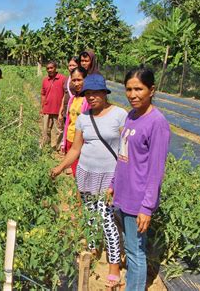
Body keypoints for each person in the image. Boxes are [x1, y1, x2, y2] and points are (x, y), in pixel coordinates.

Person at [51, 73, 127, 289]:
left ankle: (113, 265)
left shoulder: (119, 115)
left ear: (105, 93)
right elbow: (76, 148)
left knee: (108, 220)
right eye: (88, 94)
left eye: (95, 93)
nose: (91, 97)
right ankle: (93, 249)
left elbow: (125, 150)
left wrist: (119, 179)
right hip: (85, 173)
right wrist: (59, 168)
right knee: (89, 215)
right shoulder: (84, 118)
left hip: (108, 176)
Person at [108, 68, 170, 291]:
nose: (133, 94)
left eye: (139, 89)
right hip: (123, 194)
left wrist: (147, 207)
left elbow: (156, 170)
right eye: (128, 89)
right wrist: (114, 183)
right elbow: (122, 154)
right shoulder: (131, 116)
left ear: (151, 90)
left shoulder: (157, 122)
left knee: (135, 253)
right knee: (131, 247)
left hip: (138, 200)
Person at [59, 67, 90, 176]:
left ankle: (79, 192)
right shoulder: (72, 99)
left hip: (81, 142)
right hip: (70, 139)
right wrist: (64, 141)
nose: (76, 83)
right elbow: (68, 121)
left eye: (79, 79)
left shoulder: (88, 100)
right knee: (74, 171)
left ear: (86, 79)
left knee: (81, 172)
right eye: (74, 80)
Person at [40, 60, 67, 150]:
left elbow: (65, 94)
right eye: (48, 68)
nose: (50, 70)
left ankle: (58, 147)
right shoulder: (45, 80)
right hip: (47, 108)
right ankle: (46, 147)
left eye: (51, 68)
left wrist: (62, 109)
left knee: (59, 129)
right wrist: (42, 107)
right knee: (46, 129)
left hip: (58, 109)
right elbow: (43, 94)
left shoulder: (62, 78)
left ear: (55, 68)